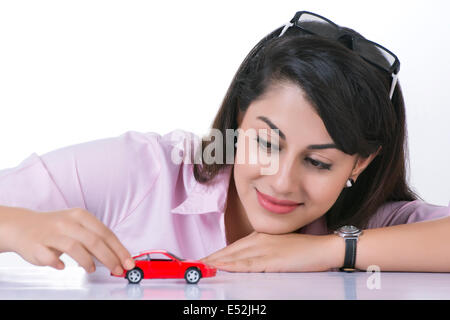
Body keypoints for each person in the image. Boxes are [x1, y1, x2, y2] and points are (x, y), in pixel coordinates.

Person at [0, 11, 448, 276]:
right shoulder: (146, 171)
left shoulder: (373, 226)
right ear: (238, 118)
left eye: (317, 162)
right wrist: (17, 225)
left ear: (360, 164)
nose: (281, 182)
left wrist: (329, 250)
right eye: (266, 144)